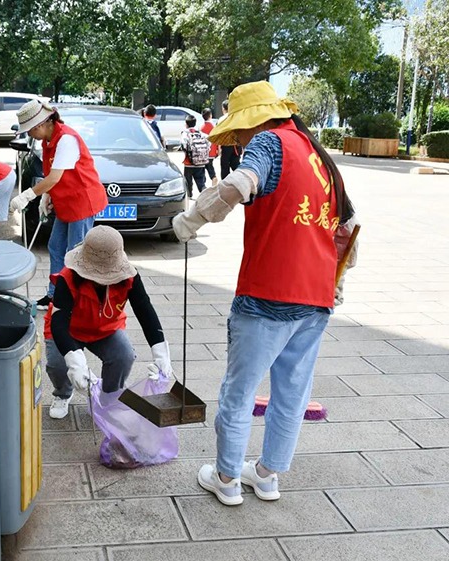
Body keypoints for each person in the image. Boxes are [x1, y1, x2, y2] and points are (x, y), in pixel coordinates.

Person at [172, 80, 358, 506]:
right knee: (291, 393)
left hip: (267, 295)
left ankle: (226, 479)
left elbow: (239, 184)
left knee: (238, 392)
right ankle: (268, 476)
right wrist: (337, 283)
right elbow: (347, 229)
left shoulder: (269, 143)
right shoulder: (320, 157)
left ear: (255, 121)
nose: (236, 140)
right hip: (315, 299)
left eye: (237, 132)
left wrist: (192, 218)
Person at [43, 225, 173, 419]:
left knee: (124, 355)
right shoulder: (67, 277)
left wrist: (160, 352)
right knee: (57, 364)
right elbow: (59, 322)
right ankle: (63, 393)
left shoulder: (130, 277)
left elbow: (145, 311)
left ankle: (110, 397)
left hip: (105, 329)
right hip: (68, 331)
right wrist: (75, 360)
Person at [11, 99, 108, 310]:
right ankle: (55, 294)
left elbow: (54, 177)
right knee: (55, 247)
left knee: (76, 253)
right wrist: (48, 197)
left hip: (82, 201)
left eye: (29, 131)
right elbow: (54, 176)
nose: (29, 135)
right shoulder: (48, 141)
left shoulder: (66, 140)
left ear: (40, 125)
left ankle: (77, 301)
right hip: (66, 201)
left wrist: (27, 195)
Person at [180, 114, 209, 198]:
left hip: (189, 163)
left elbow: (184, 145)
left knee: (188, 181)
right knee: (201, 181)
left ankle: (189, 196)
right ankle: (205, 194)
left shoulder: (185, 133)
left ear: (186, 124)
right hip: (201, 161)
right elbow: (208, 144)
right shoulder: (200, 133)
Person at [218, 100, 243, 179]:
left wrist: (218, 148)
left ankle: (226, 183)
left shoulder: (222, 119)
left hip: (226, 144)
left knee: (225, 165)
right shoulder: (237, 117)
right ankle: (241, 179)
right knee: (235, 164)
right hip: (237, 145)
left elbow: (219, 134)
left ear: (223, 108)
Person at [201, 108, 219, 186]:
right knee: (209, 165)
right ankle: (213, 177)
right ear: (210, 116)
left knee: (203, 167)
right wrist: (218, 149)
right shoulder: (213, 127)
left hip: (203, 152)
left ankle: (204, 181)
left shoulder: (201, 128)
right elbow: (217, 140)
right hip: (212, 151)